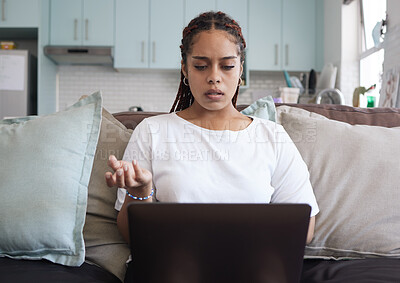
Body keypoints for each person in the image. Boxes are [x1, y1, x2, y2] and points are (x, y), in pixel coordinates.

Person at [105, 11, 319, 245]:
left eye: (227, 66)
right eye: (200, 66)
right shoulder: (152, 132)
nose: (214, 77)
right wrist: (139, 192)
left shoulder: (273, 137)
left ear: (240, 71)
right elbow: (132, 238)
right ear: (185, 69)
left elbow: (304, 230)